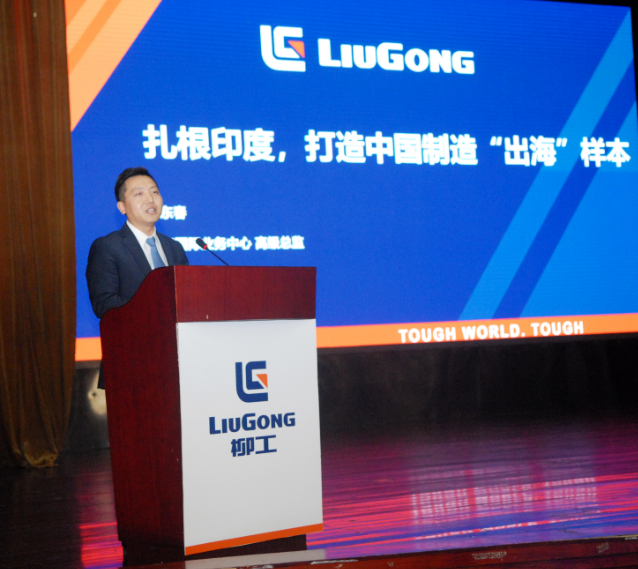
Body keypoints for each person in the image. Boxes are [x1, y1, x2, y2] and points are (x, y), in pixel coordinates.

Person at [86, 167, 189, 388]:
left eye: (155, 192)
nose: (150, 199)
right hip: (131, 365)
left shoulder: (174, 248)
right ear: (122, 207)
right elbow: (104, 303)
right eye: (139, 193)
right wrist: (154, 311)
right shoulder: (107, 247)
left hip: (178, 364)